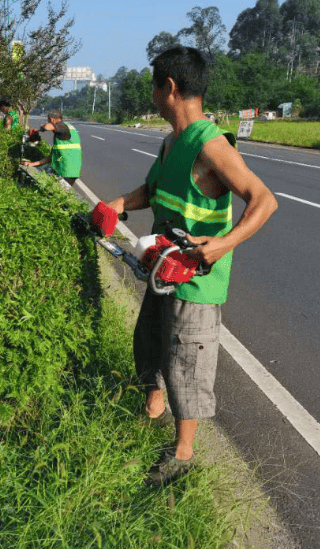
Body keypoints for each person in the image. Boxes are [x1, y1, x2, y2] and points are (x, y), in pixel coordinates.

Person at [102, 46, 278, 486]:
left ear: (171, 88)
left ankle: (182, 454)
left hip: (196, 280)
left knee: (188, 363)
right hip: (164, 269)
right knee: (151, 345)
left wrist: (223, 244)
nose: (154, 95)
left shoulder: (209, 144)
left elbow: (264, 200)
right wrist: (118, 204)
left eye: (155, 87)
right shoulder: (171, 142)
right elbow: (153, 190)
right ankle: (152, 414)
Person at [20, 110, 82, 186]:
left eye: (49, 120)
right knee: (39, 172)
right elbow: (50, 157)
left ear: (52, 119)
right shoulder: (61, 137)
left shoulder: (63, 126)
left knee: (55, 192)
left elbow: (48, 127)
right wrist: (32, 164)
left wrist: (38, 130)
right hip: (63, 170)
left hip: (67, 172)